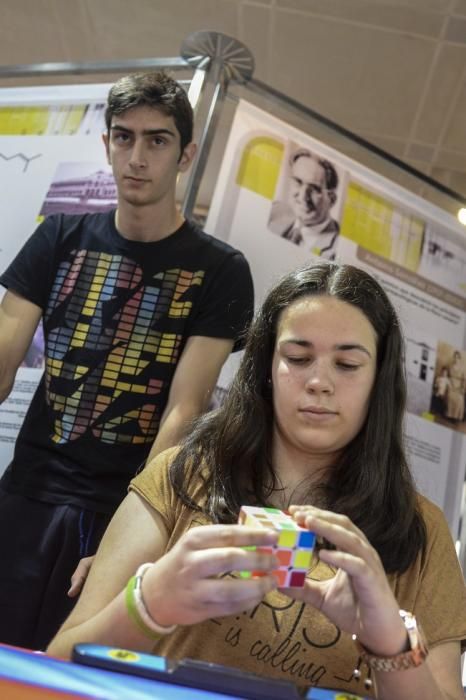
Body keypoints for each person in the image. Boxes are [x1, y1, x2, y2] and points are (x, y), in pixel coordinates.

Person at [48, 262, 466, 699]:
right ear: (267, 365)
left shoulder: (422, 530)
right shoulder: (184, 474)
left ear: (378, 380)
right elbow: (58, 664)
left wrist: (390, 645)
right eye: (298, 358)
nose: (319, 382)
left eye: (347, 364)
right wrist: (149, 604)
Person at [0, 71, 254, 650]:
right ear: (107, 144)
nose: (136, 157)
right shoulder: (58, 237)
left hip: (119, 506)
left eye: (157, 140)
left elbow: (184, 410)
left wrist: (131, 534)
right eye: (124, 137)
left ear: (185, 154)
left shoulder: (220, 270)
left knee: (71, 673)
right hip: (28, 492)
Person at [268, 149, 340, 260]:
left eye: (315, 189)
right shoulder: (274, 212)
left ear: (331, 200)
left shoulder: (337, 249)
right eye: (298, 182)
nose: (303, 196)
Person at [445, 351, 465, 422]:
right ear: (453, 358)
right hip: (451, 384)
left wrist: (462, 388)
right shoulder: (450, 366)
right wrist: (449, 384)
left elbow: (464, 380)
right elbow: (447, 376)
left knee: (460, 398)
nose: (456, 359)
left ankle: (455, 417)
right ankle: (449, 415)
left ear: (460, 359)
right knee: (450, 396)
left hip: (459, 386)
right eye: (455, 357)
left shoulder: (463, 368)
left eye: (458, 358)